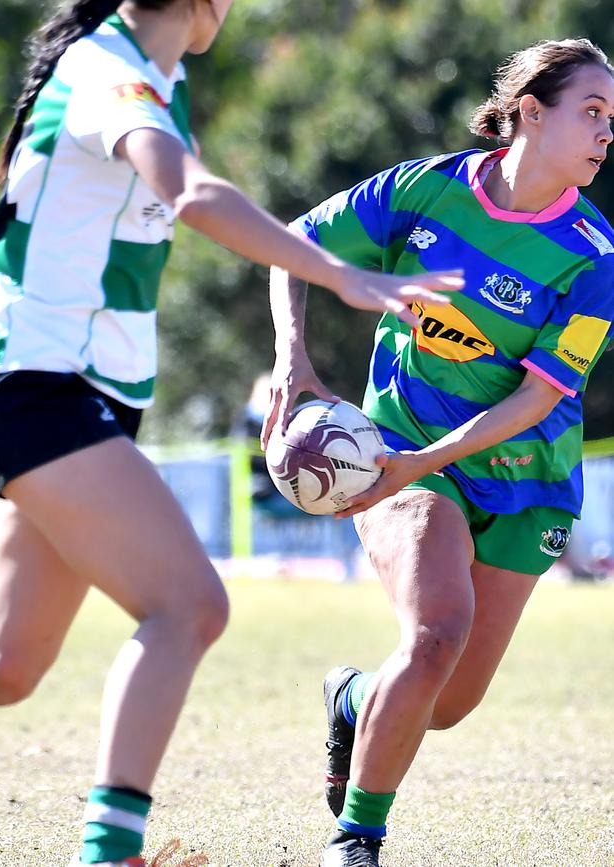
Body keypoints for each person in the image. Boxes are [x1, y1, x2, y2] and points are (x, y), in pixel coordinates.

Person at [0, 2, 465, 866]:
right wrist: (337, 272)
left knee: (3, 665)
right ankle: (108, 852)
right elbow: (190, 193)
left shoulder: (159, 78)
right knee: (189, 605)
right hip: (36, 385)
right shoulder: (108, 71)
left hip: (71, 392)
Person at [262, 38, 614, 867]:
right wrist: (292, 358)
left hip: (530, 482)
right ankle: (358, 840)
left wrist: (426, 461)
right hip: (405, 448)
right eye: (592, 112)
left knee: (446, 702)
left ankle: (352, 698)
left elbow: (536, 397)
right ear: (531, 111)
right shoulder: (423, 191)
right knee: (434, 635)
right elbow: (292, 246)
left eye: (613, 120)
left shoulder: (594, 256)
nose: (607, 133)